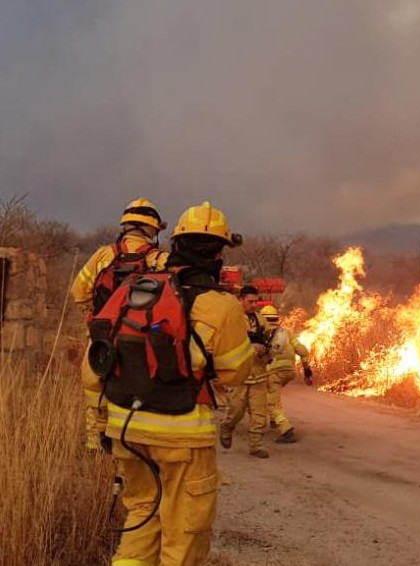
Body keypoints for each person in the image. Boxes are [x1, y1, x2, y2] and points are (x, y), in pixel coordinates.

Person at [85, 201, 253, 565]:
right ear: (220, 252)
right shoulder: (220, 305)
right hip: (183, 438)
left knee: (141, 521)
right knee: (183, 536)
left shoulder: (131, 290)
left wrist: (99, 425)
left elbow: (92, 366)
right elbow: (235, 373)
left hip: (126, 432)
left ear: (175, 243)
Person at [72, 197, 169, 450]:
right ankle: (128, 442)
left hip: (100, 335)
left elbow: (78, 291)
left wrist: (91, 316)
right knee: (135, 389)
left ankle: (96, 440)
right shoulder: (159, 260)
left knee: (94, 384)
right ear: (153, 229)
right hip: (140, 339)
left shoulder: (103, 255)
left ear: (125, 225)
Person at [220, 285, 275, 458]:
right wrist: (250, 346)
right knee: (236, 411)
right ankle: (227, 427)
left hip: (258, 374)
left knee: (259, 414)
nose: (254, 305)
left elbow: (272, 337)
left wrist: (272, 347)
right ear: (240, 300)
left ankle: (256, 446)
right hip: (239, 375)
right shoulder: (232, 319)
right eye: (250, 301)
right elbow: (227, 342)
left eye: (256, 301)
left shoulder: (260, 319)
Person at [260, 305, 314, 444]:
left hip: (274, 372)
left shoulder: (263, 334)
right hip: (289, 372)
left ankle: (286, 430)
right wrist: (307, 371)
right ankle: (273, 420)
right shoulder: (287, 333)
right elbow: (303, 351)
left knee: (272, 403)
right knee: (273, 394)